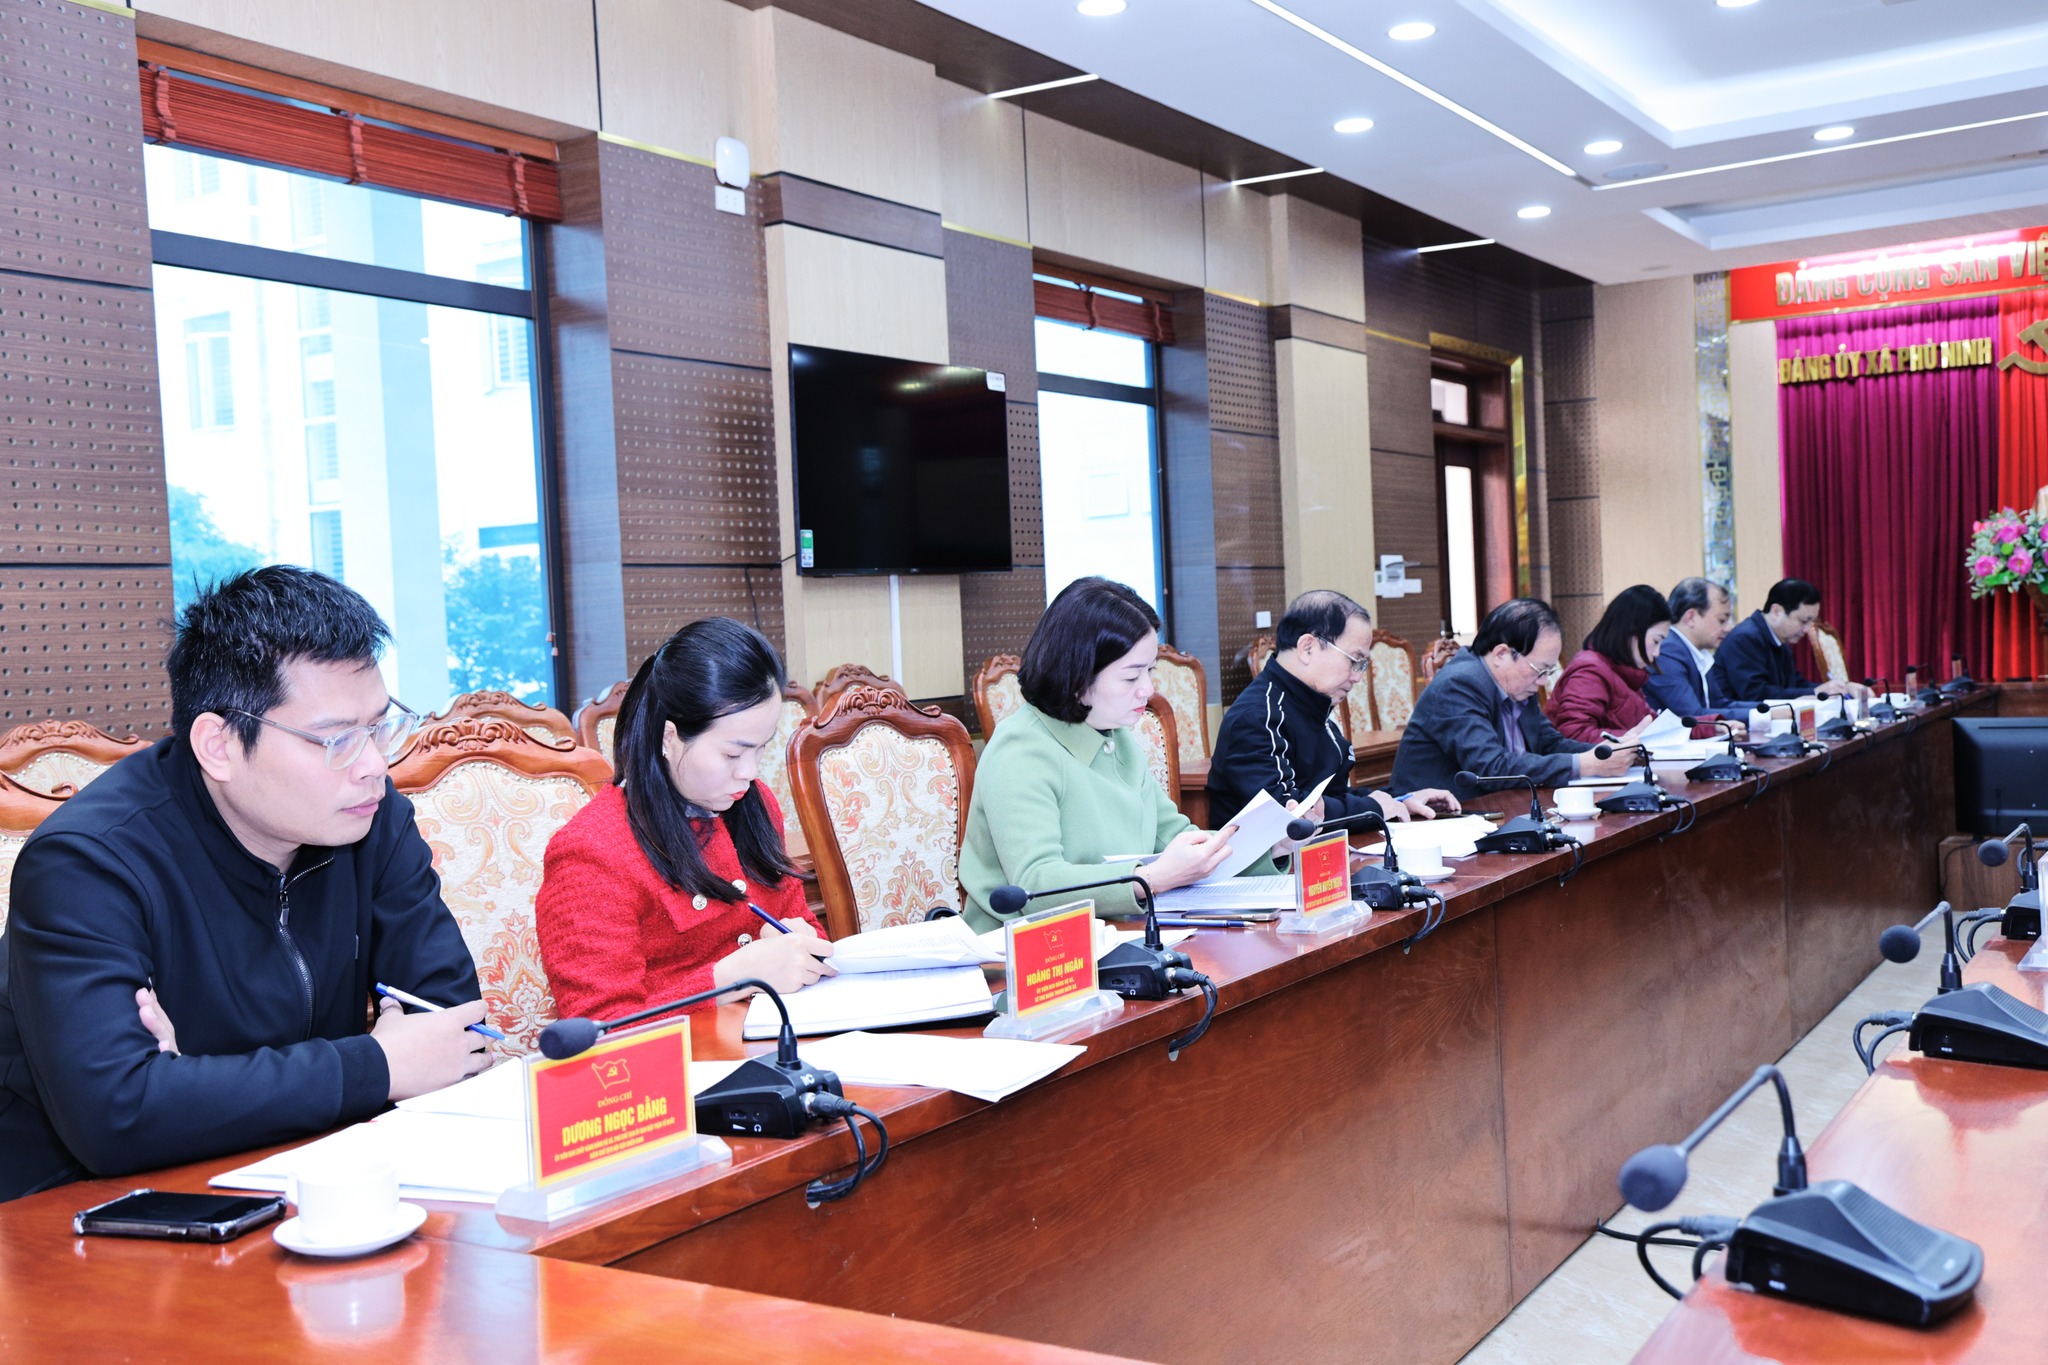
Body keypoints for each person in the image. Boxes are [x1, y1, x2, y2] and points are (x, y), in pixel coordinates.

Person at [0, 566, 488, 1203]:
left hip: (307, 1173)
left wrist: (194, 1086)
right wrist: (378, 1064)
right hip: (84, 1209)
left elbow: (455, 1034)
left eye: (378, 726)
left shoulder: (371, 819)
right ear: (219, 745)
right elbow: (118, 1116)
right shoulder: (87, 863)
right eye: (339, 739)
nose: (373, 765)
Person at [536, 619, 830, 1023]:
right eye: (732, 754)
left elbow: (803, 922)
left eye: (761, 749)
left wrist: (804, 942)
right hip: (681, 1059)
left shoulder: (755, 804)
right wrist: (728, 980)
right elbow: (598, 1028)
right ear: (669, 738)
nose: (749, 772)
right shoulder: (593, 852)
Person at [960, 577, 1286, 932]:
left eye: (1150, 671)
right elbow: (1035, 884)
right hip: (1023, 950)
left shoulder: (1116, 738)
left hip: (1116, 935)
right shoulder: (1021, 750)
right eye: (1131, 677)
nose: (1148, 689)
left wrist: (1271, 844)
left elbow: (1177, 836)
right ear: (1077, 677)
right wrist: (1151, 879)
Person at [1208, 589, 1459, 828]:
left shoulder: (1311, 704)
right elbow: (1291, 813)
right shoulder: (1257, 716)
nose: (1358, 677)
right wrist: (1373, 808)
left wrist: (1400, 800)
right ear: (1307, 648)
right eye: (1354, 660)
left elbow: (1334, 796)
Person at [1390, 597, 1639, 800]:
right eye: (1540, 670)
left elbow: (1548, 743)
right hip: (1437, 818)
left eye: (1548, 671)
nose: (1543, 681)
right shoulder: (1459, 685)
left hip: (1500, 805)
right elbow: (1491, 768)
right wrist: (1584, 764)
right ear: (1501, 654)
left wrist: (1606, 753)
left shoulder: (1517, 683)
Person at [1545, 585, 1727, 744]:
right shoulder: (1589, 671)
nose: (1657, 653)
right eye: (1656, 641)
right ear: (1633, 630)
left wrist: (1711, 727)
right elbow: (1573, 735)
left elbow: (1656, 727)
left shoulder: (1625, 673)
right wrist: (1633, 740)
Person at [1707, 577, 1865, 708]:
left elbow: (1795, 684)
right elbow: (1756, 695)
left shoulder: (1778, 638)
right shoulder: (1745, 638)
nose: (1807, 629)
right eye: (1803, 621)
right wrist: (1815, 692)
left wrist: (1837, 688)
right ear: (1776, 611)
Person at [1646, 577, 1744, 721]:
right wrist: (1761, 715)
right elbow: (1693, 714)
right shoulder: (1667, 651)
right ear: (1691, 617)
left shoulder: (1697, 651)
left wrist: (1769, 710)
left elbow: (1719, 704)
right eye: (1722, 620)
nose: (1728, 628)